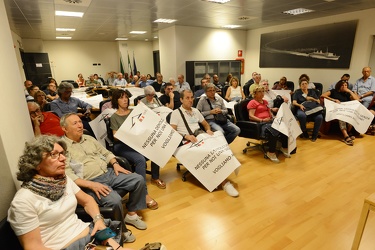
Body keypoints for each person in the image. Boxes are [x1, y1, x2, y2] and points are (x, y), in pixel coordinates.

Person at [7, 135, 134, 250]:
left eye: (62, 153)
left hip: (93, 236)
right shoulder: (23, 201)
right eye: (54, 154)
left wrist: (98, 220)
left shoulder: (63, 180)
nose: (62, 158)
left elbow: (88, 201)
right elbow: (33, 247)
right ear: (36, 164)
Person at [61, 113, 148, 230]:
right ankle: (121, 230)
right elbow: (68, 174)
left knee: (138, 179)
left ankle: (131, 215)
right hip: (90, 181)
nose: (80, 125)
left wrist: (115, 164)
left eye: (80, 122)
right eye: (75, 123)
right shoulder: (62, 147)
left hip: (109, 172)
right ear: (64, 129)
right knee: (115, 200)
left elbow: (106, 153)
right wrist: (91, 185)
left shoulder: (89, 138)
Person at [170, 89, 239, 197]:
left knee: (219, 148)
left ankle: (220, 174)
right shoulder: (175, 113)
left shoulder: (196, 111)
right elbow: (172, 131)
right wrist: (185, 136)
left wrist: (208, 130)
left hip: (200, 136)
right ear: (181, 100)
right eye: (187, 98)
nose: (190, 100)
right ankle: (224, 183)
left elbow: (206, 124)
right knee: (211, 153)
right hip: (186, 141)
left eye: (192, 97)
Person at [110, 89, 160, 210]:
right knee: (140, 160)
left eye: (126, 97)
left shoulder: (133, 112)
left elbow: (144, 126)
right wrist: (129, 132)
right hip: (122, 145)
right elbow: (115, 136)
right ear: (116, 101)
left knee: (156, 150)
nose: (125, 100)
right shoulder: (114, 117)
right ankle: (144, 194)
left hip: (136, 142)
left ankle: (155, 177)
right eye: (121, 98)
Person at [247, 86, 290, 163]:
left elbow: (269, 113)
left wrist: (274, 118)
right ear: (255, 94)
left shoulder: (265, 102)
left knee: (284, 125)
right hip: (260, 124)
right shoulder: (252, 102)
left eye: (263, 92)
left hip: (269, 121)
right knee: (274, 128)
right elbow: (251, 116)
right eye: (259, 92)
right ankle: (271, 153)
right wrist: (262, 119)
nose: (262, 94)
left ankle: (284, 147)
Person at [321, 79, 360, 145]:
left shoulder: (347, 94)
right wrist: (333, 100)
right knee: (342, 117)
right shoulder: (333, 91)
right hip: (337, 110)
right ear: (339, 85)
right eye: (343, 85)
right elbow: (322, 96)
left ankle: (349, 131)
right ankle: (346, 136)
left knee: (352, 115)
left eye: (346, 85)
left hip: (346, 109)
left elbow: (357, 100)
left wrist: (349, 91)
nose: (344, 87)